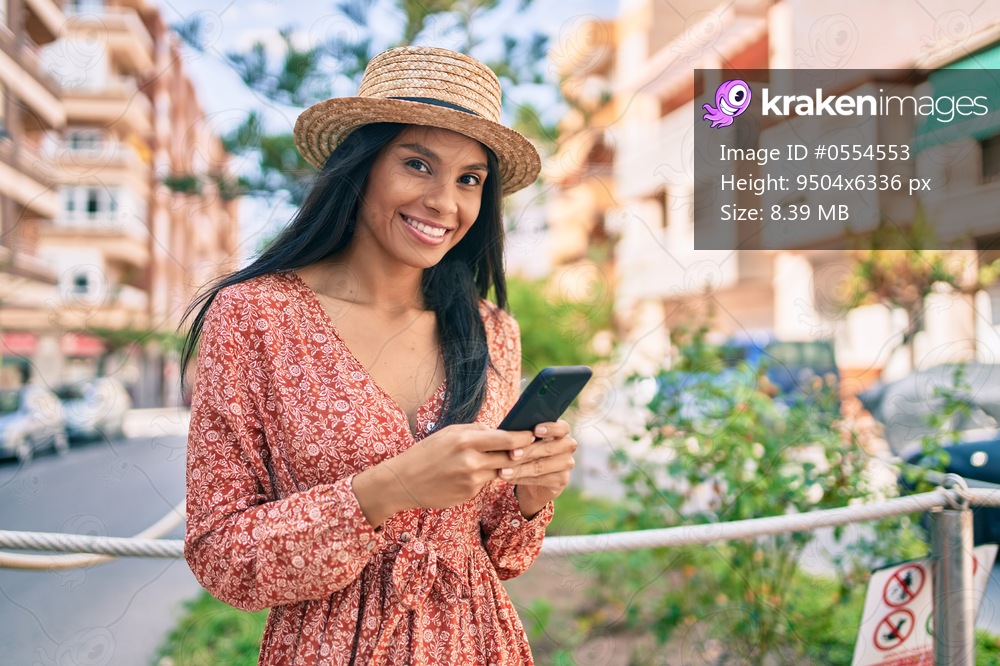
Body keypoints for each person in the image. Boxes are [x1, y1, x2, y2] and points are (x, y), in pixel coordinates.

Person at [181, 46, 578, 665]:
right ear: (360, 166)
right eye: (418, 164)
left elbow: (502, 557)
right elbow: (221, 556)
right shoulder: (255, 316)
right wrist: (386, 489)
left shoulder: (491, 330)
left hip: (477, 645)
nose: (446, 203)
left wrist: (534, 492)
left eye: (470, 178)